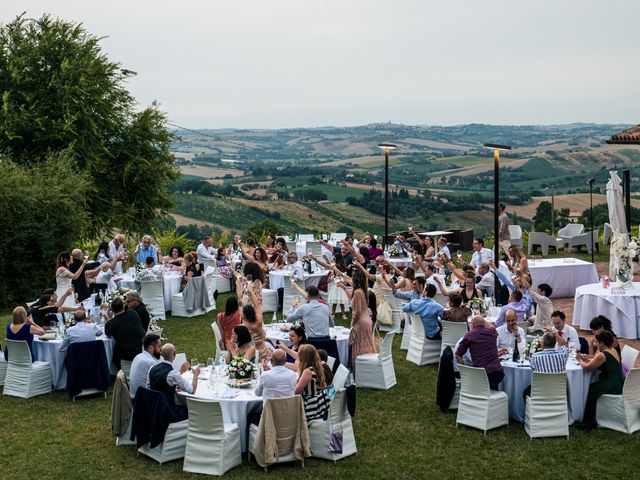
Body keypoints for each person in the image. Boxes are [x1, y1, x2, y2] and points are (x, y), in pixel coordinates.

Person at [577, 331, 624, 430]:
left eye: (597, 342)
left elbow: (587, 367)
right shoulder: (612, 349)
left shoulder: (602, 355)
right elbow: (595, 360)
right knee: (593, 387)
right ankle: (591, 417)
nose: (595, 344)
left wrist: (579, 360)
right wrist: (588, 358)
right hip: (618, 381)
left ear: (602, 342)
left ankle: (589, 421)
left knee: (591, 390)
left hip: (611, 384)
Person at [148, 343, 198, 422]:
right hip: (168, 411)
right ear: (174, 354)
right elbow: (192, 390)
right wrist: (196, 374)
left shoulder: (152, 368)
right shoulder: (172, 373)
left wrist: (172, 389)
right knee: (194, 409)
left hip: (153, 408)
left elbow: (151, 387)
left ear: (161, 354)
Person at [339, 270, 376, 367]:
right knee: (365, 344)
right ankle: (366, 366)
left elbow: (358, 311)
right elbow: (353, 301)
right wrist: (344, 287)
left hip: (361, 321)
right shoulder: (362, 290)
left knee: (358, 345)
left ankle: (358, 367)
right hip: (366, 320)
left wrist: (353, 322)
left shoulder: (358, 292)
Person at [456, 315, 504, 390]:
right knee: (493, 386)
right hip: (497, 373)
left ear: (472, 325)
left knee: (483, 384)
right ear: (484, 324)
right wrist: (482, 320)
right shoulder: (492, 332)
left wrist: (464, 371)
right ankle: (494, 397)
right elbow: (492, 326)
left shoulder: (469, 335)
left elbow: (458, 354)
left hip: (480, 375)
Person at [522, 332, 570, 400]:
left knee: (526, 392)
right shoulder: (562, 355)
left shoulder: (535, 356)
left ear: (542, 344)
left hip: (540, 390)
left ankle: (532, 408)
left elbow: (533, 368)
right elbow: (565, 345)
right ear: (555, 343)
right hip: (558, 391)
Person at [104, 297, 146, 370]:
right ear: (123, 306)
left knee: (114, 355)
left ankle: (118, 372)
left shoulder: (113, 323)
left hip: (125, 351)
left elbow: (107, 333)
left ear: (112, 310)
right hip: (139, 347)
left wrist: (110, 318)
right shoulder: (133, 313)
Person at [295, 344, 330, 422]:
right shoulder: (318, 367)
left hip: (310, 406)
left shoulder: (308, 372)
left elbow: (297, 391)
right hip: (321, 402)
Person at [240, 286, 271, 362]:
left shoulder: (244, 325)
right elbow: (257, 304)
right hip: (263, 351)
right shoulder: (259, 321)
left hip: (252, 353)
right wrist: (251, 292)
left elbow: (240, 305)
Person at [128, 333, 161, 399]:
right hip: (144, 401)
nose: (161, 348)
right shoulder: (151, 363)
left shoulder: (138, 356)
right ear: (151, 348)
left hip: (134, 397)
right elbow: (158, 385)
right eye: (159, 346)